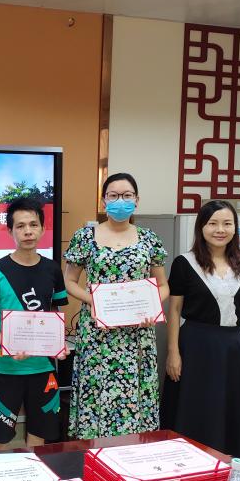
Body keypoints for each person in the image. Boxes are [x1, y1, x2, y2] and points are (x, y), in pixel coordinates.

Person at [63, 173, 169, 439]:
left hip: (137, 335)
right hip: (97, 333)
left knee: (134, 399)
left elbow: (163, 286)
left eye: (127, 195)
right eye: (113, 195)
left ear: (137, 200)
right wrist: (94, 300)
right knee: (96, 396)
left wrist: (151, 308)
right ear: (103, 200)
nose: (120, 201)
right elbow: (69, 282)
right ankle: (95, 455)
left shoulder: (149, 239)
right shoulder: (85, 237)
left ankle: (132, 456)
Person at [161, 200, 240, 460]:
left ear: (235, 228)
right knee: (194, 408)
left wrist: (227, 322)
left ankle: (227, 465)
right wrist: (173, 352)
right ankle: (190, 464)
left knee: (229, 408)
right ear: (201, 227)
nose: (220, 229)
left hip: (233, 348)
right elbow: (174, 310)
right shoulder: (185, 263)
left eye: (227, 223)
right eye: (213, 223)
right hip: (195, 346)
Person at [0, 197, 69, 450]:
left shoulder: (52, 269)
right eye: (20, 226)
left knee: (39, 435)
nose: (28, 231)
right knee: (1, 437)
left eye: (33, 225)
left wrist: (58, 342)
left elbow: (54, 311)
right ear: (10, 231)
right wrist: (3, 340)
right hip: (5, 367)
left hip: (43, 367)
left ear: (43, 229)